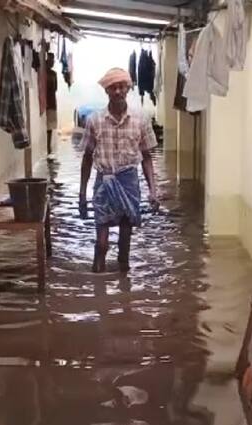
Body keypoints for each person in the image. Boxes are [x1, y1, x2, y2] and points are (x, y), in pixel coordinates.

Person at [79, 68, 159, 273]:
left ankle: (125, 295)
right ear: (106, 91)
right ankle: (98, 292)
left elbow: (147, 158)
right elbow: (87, 158)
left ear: (128, 89)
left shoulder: (140, 120)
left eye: (121, 87)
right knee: (102, 244)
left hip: (129, 182)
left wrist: (153, 190)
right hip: (104, 182)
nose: (117, 91)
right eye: (112, 87)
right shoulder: (94, 121)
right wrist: (82, 194)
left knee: (125, 242)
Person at [46, 52, 58, 156]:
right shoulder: (44, 73)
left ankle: (48, 147)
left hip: (52, 101)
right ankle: (48, 147)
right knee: (48, 126)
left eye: (53, 61)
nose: (52, 62)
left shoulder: (54, 74)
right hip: (46, 101)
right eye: (50, 60)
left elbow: (55, 88)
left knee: (50, 126)